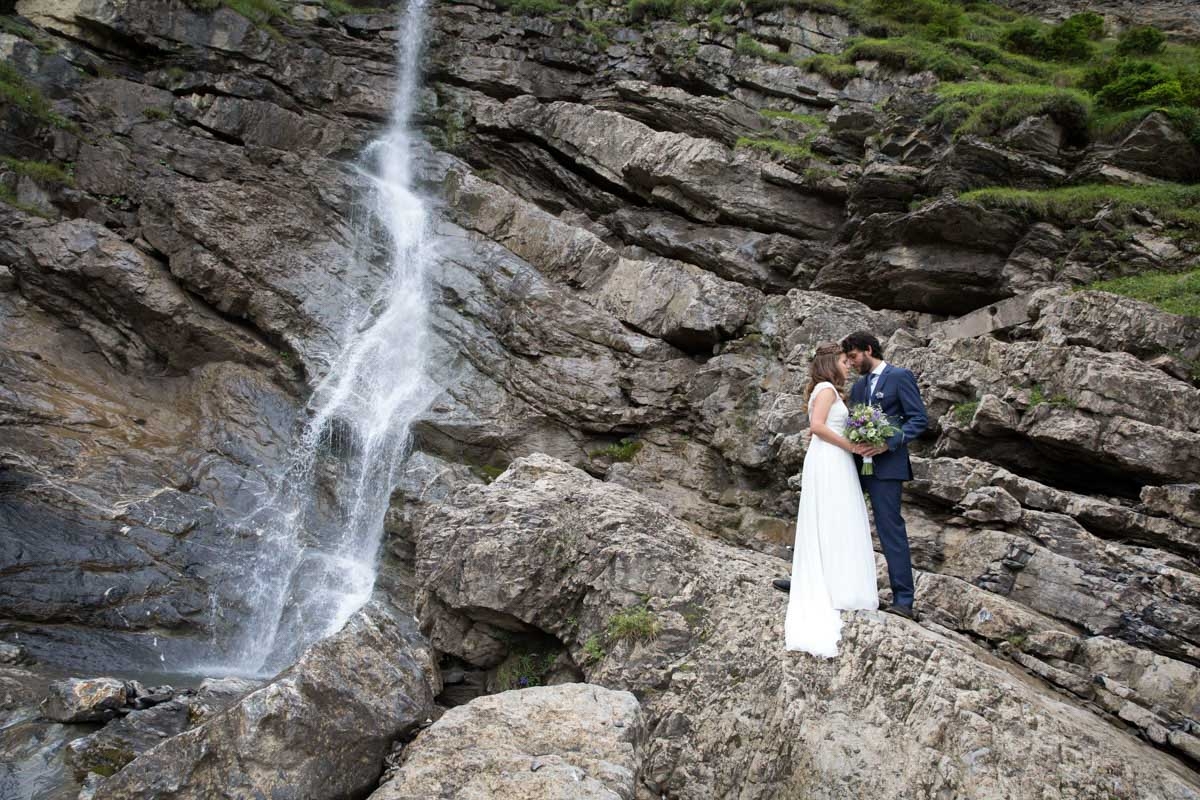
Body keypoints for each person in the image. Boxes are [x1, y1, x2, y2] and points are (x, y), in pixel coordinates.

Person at [780, 342, 879, 657]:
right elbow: (817, 426)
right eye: (842, 360)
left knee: (839, 518)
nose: (848, 365)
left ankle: (840, 581)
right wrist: (851, 446)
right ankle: (835, 585)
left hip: (832, 458)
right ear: (829, 364)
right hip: (830, 459)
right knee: (835, 516)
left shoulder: (828, 390)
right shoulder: (825, 389)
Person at [841, 330, 928, 620]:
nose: (851, 364)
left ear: (868, 349)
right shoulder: (859, 387)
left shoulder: (900, 376)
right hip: (855, 464)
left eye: (853, 357)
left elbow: (919, 419)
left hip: (887, 467)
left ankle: (904, 599)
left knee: (891, 531)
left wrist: (887, 443)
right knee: (839, 522)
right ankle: (824, 582)